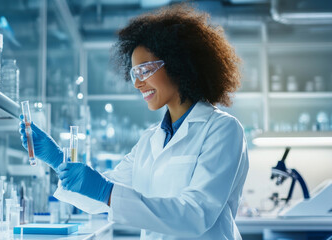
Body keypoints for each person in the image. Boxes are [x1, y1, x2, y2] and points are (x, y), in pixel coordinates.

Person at [19, 3, 249, 239]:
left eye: (145, 71)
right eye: (135, 73)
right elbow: (101, 198)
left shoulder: (223, 130)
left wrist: (105, 190)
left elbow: (195, 214)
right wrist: (59, 161)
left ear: (179, 65)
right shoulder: (150, 139)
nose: (138, 83)